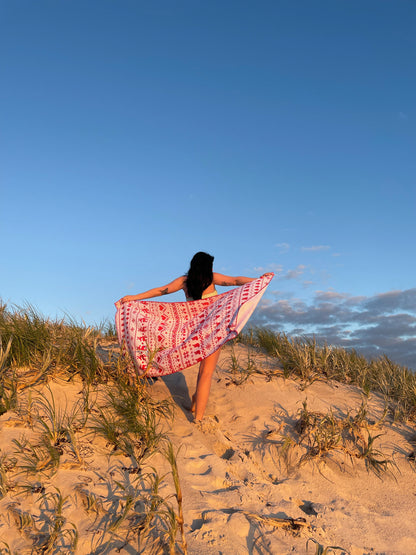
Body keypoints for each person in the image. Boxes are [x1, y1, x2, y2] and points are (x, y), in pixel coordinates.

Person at [116, 252, 257, 421]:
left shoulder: (184, 281)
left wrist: (134, 298)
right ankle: (198, 419)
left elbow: (161, 291)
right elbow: (235, 281)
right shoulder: (211, 278)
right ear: (208, 266)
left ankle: (194, 406)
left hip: (194, 333)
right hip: (212, 330)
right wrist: (258, 280)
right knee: (206, 373)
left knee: (202, 373)